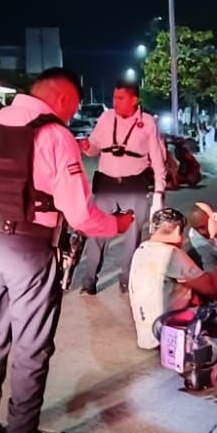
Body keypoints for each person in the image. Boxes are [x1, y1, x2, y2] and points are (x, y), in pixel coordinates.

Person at [0, 68, 135, 433]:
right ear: (61, 100)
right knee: (31, 347)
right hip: (28, 249)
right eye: (71, 108)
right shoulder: (55, 135)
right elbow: (80, 214)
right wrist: (117, 225)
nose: (71, 117)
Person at [76, 81, 167, 295]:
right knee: (97, 232)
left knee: (132, 236)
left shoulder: (148, 123)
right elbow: (94, 147)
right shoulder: (106, 118)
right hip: (106, 184)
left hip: (135, 185)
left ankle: (126, 279)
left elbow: (156, 157)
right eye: (114, 97)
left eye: (120, 98)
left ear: (134, 99)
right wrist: (88, 147)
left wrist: (159, 191)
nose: (115, 102)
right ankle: (89, 281)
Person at [129, 207, 217, 350]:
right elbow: (210, 288)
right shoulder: (171, 254)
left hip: (146, 335)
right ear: (177, 231)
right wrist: (216, 261)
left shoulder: (141, 250)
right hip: (168, 335)